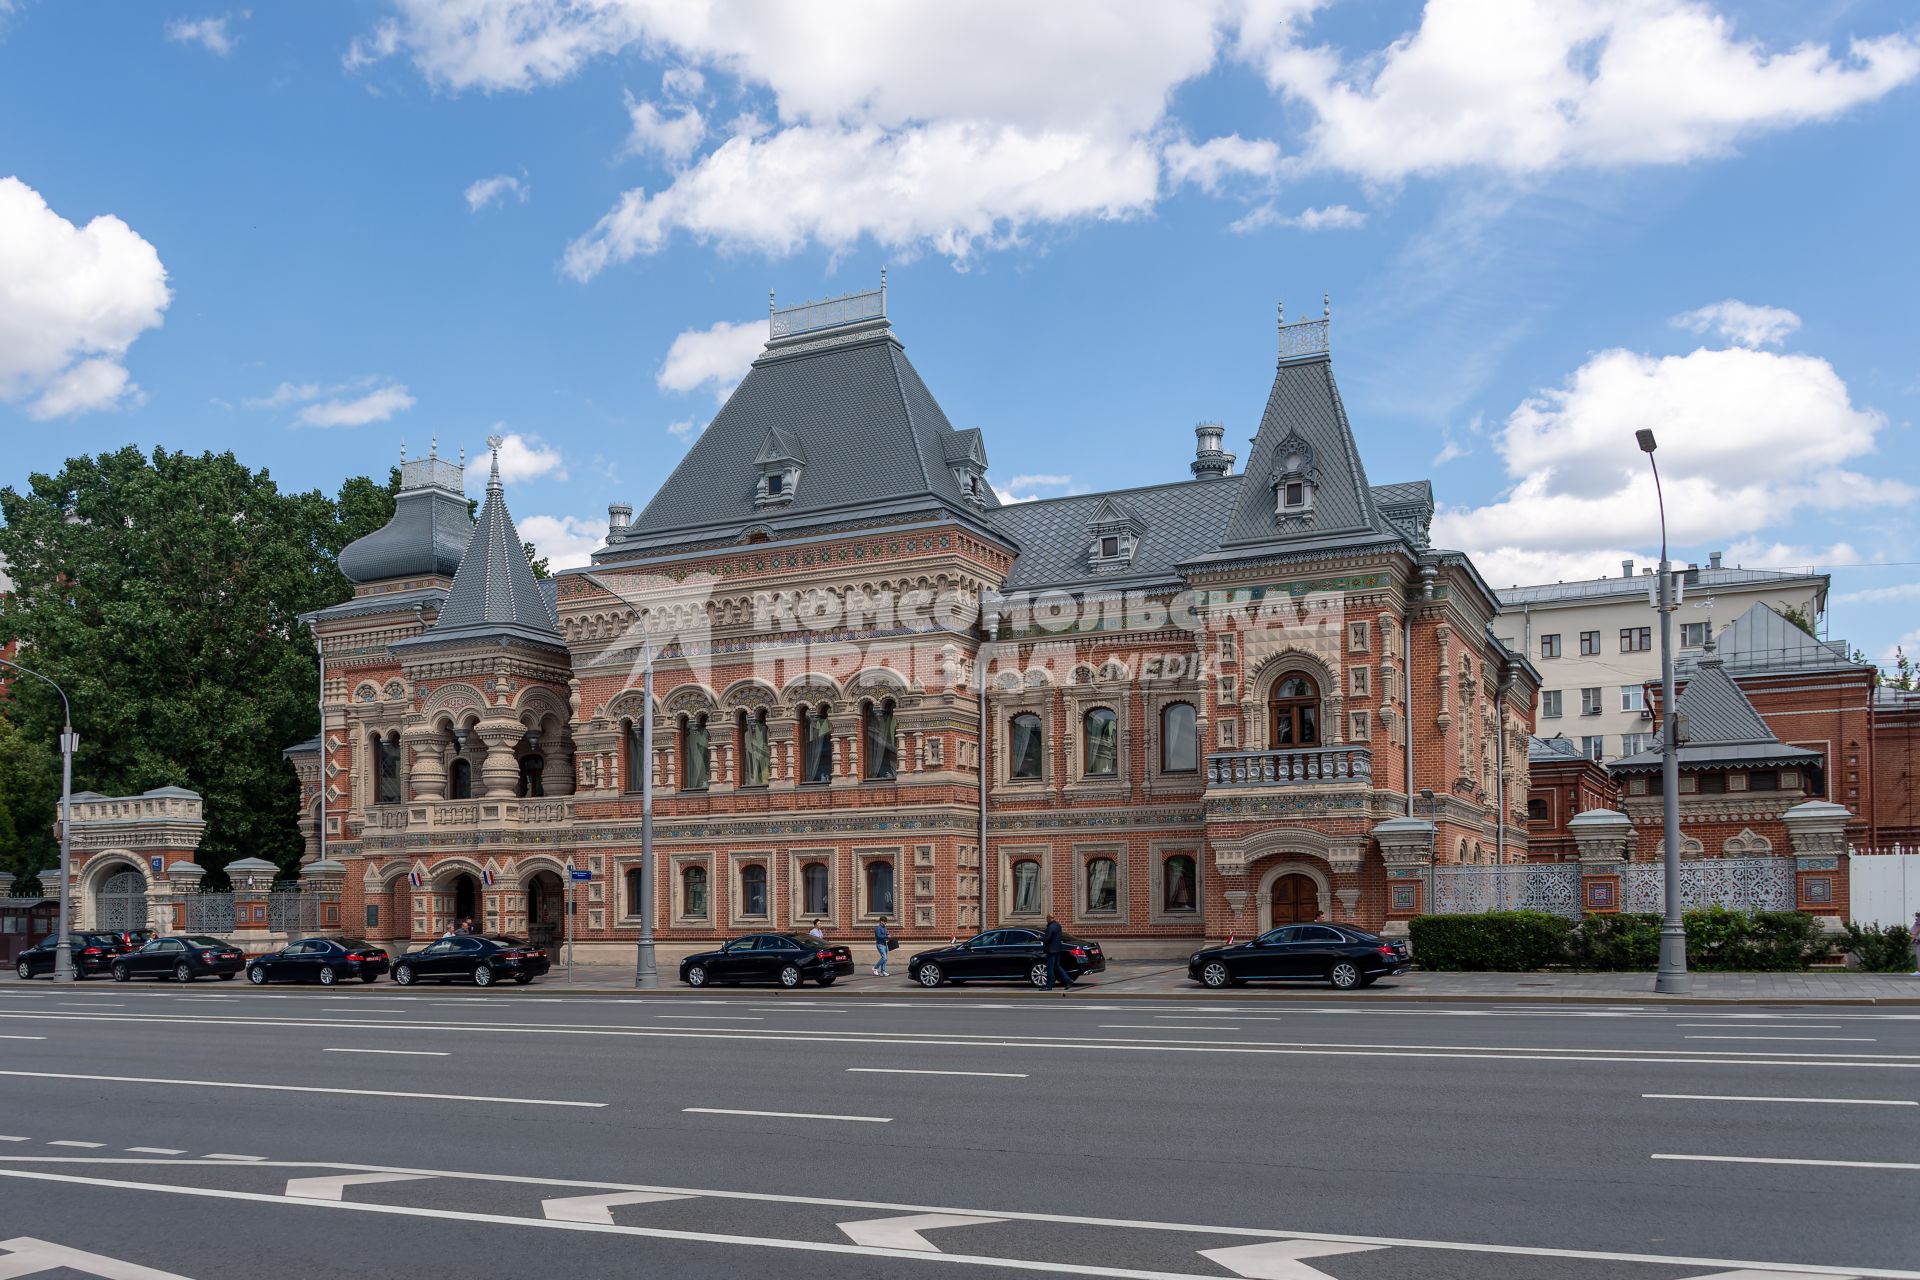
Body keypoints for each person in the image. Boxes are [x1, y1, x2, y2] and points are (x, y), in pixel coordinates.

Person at [1043, 913, 1073, 994]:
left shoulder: (1050, 927)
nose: (1046, 919)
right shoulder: (1058, 925)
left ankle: (1049, 986)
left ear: (1049, 918)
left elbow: (1047, 939)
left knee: (1050, 968)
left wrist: (1040, 938)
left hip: (1051, 950)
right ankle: (1068, 980)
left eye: (1047, 918)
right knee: (1057, 966)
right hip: (1057, 949)